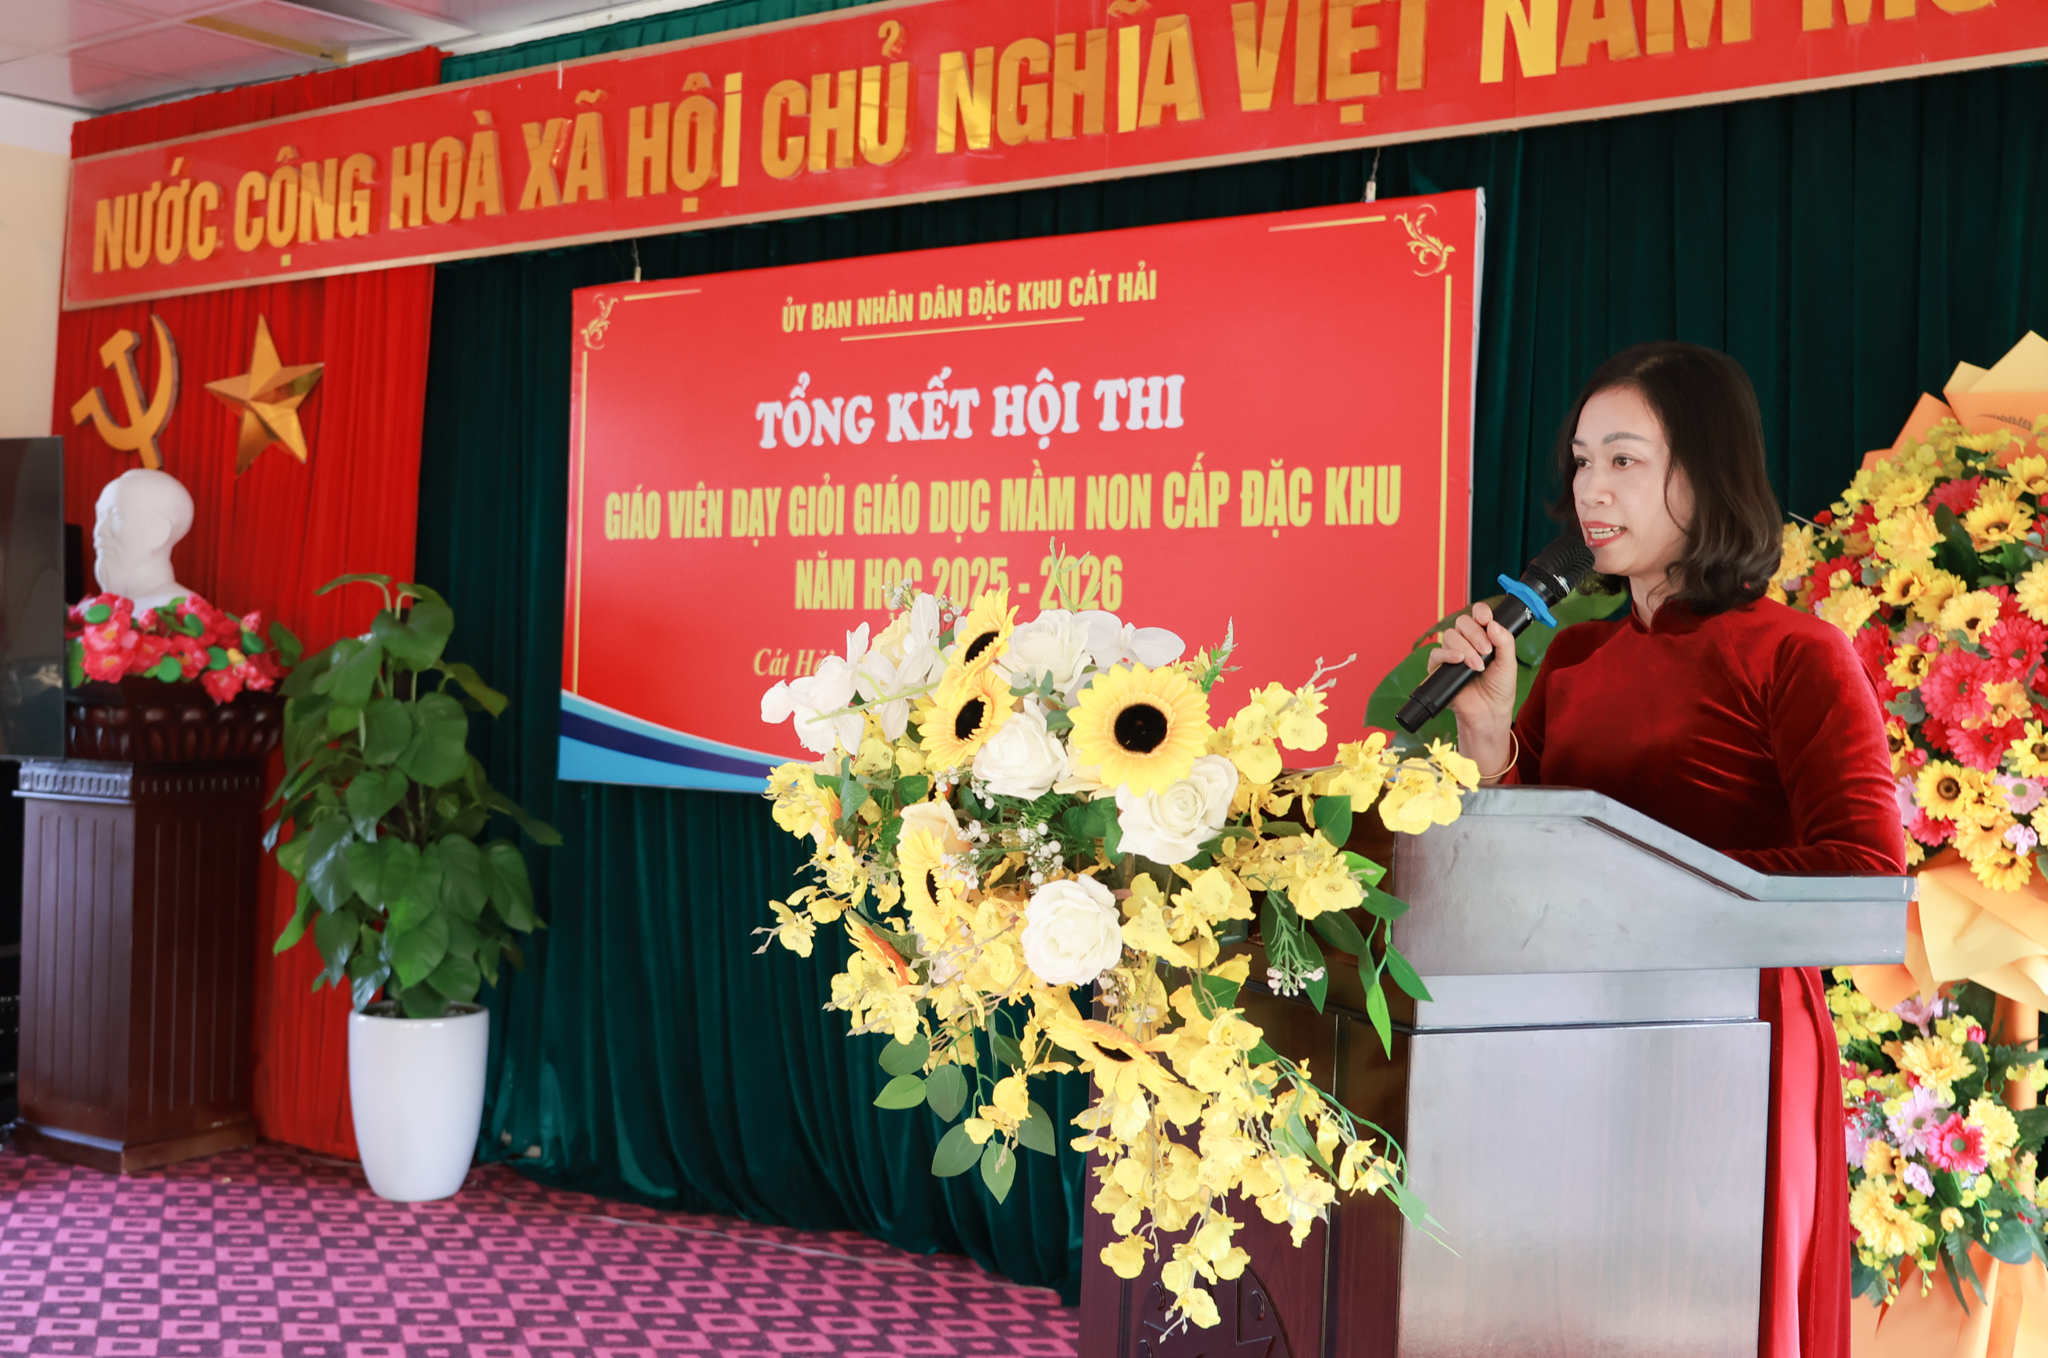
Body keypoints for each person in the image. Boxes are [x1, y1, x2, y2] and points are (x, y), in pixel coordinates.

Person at [1428, 341, 1904, 1358]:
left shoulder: (1795, 652)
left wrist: (1635, 878)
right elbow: (1524, 872)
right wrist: (1487, 736)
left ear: (1707, 473)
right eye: (1579, 461)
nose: (1588, 489)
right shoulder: (1575, 654)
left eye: (1623, 461)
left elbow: (1864, 876)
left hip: (1737, 1045)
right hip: (1564, 1039)